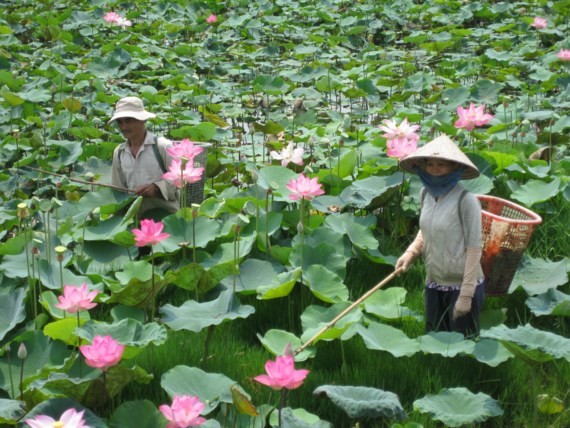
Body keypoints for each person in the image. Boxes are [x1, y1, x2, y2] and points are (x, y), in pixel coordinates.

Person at [395, 134, 485, 338]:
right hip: (434, 280)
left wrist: (466, 294)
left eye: (441, 164)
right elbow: (427, 229)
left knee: (463, 346)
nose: (434, 169)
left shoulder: (466, 200)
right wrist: (411, 253)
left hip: (462, 283)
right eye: (430, 164)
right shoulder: (425, 194)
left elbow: (474, 248)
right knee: (434, 339)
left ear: (454, 167)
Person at [109, 96, 179, 220]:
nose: (123, 126)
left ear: (143, 120)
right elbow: (118, 192)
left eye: (128, 120)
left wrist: (156, 188)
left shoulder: (162, 146)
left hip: (166, 217)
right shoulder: (119, 153)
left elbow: (180, 179)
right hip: (135, 220)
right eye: (120, 122)